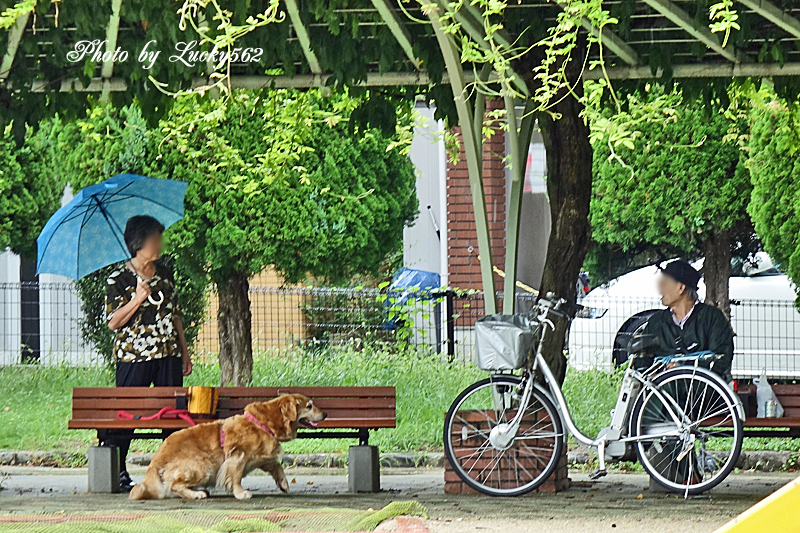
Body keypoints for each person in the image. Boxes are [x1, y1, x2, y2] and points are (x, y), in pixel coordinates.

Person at [102, 215, 193, 492]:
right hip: (134, 358)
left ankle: (174, 472)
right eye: (155, 239)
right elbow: (113, 322)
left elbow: (175, 315)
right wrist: (137, 299)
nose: (159, 244)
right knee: (128, 415)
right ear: (138, 243)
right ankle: (119, 471)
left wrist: (185, 352)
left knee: (173, 416)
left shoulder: (164, 273)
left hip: (168, 354)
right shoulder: (118, 279)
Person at [643, 260, 734, 380]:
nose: (660, 289)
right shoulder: (657, 322)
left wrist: (683, 368)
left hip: (701, 393)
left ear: (681, 288)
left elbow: (721, 357)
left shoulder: (711, 318)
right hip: (664, 393)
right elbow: (642, 360)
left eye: (665, 283)